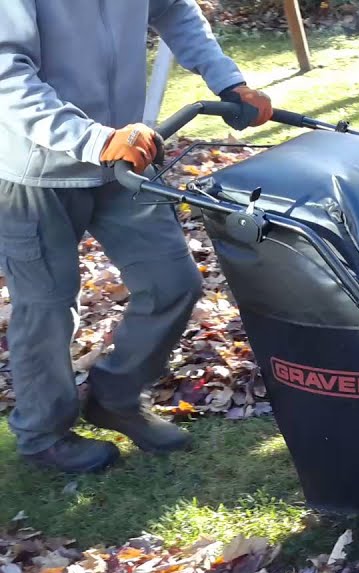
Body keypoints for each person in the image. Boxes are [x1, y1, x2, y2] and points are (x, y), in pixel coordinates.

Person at [0, 1, 273, 473]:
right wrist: (92, 139)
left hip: (124, 160)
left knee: (173, 283)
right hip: (34, 171)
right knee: (46, 306)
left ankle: (115, 397)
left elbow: (175, 11)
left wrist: (226, 79)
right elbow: (7, 75)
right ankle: (43, 433)